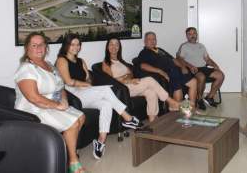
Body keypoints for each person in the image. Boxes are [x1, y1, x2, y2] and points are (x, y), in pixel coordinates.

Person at [56, 34, 142, 160]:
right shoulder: (61, 60)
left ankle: (101, 142)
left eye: (78, 44)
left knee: (106, 104)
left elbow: (88, 78)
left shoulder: (81, 61)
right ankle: (127, 117)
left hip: (84, 92)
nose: (76, 47)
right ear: (66, 45)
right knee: (106, 90)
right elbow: (68, 81)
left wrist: (88, 82)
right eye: (72, 44)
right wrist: (85, 84)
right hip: (71, 94)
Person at [14, 32, 86, 173]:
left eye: (42, 44)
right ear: (27, 49)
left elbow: (61, 87)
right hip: (32, 110)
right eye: (34, 45)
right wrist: (57, 105)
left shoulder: (49, 65)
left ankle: (62, 154)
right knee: (73, 123)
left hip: (51, 104)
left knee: (81, 117)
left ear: (46, 47)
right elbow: (33, 97)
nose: (39, 47)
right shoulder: (26, 68)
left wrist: (64, 100)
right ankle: (73, 163)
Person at [101, 37, 180, 122]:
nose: (114, 46)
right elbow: (111, 81)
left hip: (130, 85)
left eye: (116, 44)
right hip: (121, 89)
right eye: (111, 44)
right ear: (107, 47)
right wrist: (126, 79)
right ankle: (170, 101)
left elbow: (130, 74)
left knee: (151, 92)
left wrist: (129, 78)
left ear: (119, 47)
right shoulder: (106, 63)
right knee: (149, 80)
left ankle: (152, 120)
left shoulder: (121, 61)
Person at [137, 31, 197, 108]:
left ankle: (192, 107)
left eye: (154, 39)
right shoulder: (144, 52)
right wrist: (160, 71)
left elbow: (173, 59)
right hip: (169, 72)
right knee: (178, 88)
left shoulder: (159, 50)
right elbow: (143, 65)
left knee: (194, 82)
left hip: (176, 70)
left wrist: (182, 67)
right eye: (149, 39)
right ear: (145, 41)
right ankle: (176, 111)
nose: (152, 41)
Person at [177, 27, 224, 110]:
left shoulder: (201, 46)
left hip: (203, 68)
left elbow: (207, 59)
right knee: (201, 77)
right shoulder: (184, 46)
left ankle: (209, 97)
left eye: (194, 33)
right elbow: (180, 59)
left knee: (220, 75)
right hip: (192, 69)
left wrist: (215, 66)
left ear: (197, 35)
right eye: (190, 34)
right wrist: (190, 66)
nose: (192, 35)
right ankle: (199, 99)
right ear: (187, 36)